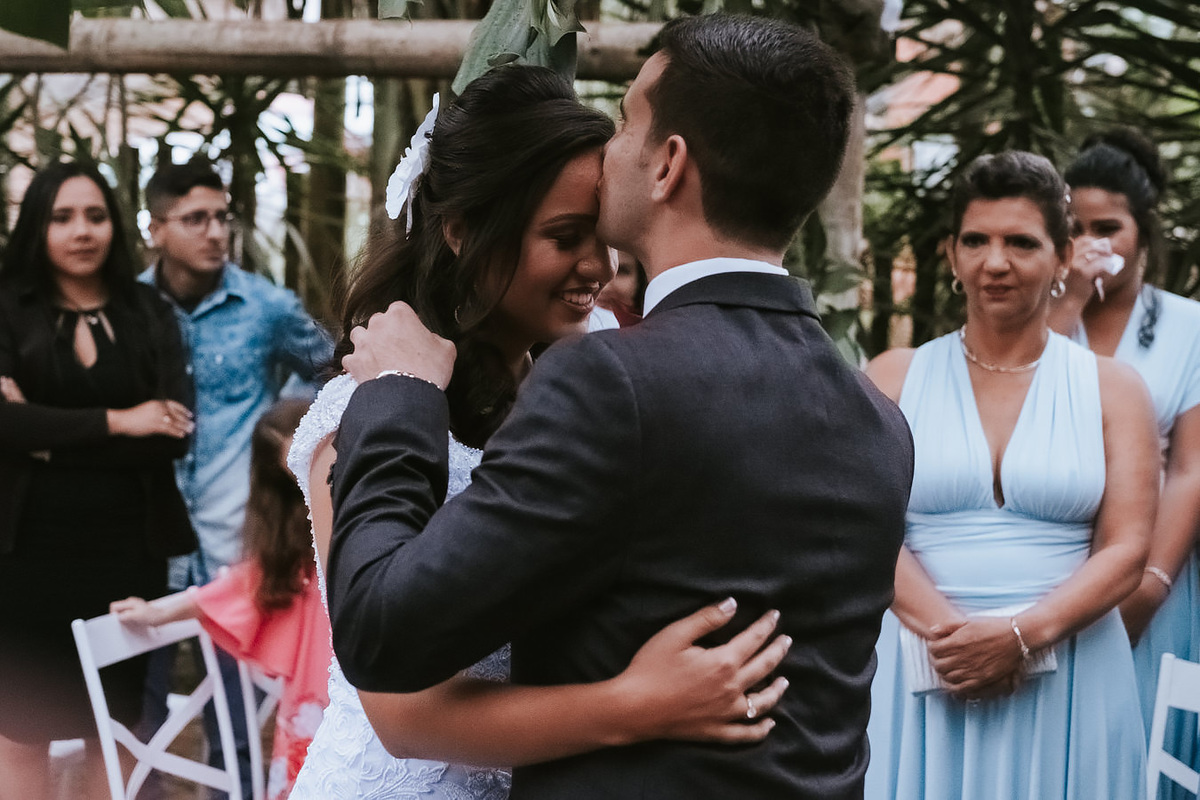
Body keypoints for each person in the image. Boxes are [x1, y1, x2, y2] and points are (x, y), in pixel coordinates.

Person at [331, 15, 914, 799]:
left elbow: (381, 629)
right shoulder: (878, 420)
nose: (610, 147)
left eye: (630, 121)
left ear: (669, 163)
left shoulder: (610, 383)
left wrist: (398, 398)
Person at [287, 63, 794, 799]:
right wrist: (642, 704)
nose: (601, 268)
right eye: (565, 238)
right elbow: (403, 715)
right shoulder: (359, 411)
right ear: (462, 231)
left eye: (605, 236)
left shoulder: (582, 391)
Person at [864, 151, 1159, 799]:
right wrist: (957, 641)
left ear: (1061, 258)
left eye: (1021, 242)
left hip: (1072, 669)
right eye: (976, 240)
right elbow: (866, 529)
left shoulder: (1114, 389)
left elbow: (1128, 548)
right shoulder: (892, 377)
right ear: (949, 254)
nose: (994, 262)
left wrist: (1022, 637)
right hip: (925, 662)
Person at [138, 158, 333, 798]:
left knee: (237, 728)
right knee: (140, 721)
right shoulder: (129, 312)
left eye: (223, 216)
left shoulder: (268, 307)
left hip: (239, 545)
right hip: (151, 541)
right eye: (195, 219)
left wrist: (284, 438)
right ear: (156, 228)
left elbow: (336, 375)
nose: (216, 231)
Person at [0, 160, 195, 800]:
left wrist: (44, 438)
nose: (82, 231)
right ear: (37, 227)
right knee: (18, 730)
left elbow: (174, 429)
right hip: (25, 553)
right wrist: (120, 421)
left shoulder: (148, 311)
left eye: (95, 215)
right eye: (62, 217)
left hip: (125, 551)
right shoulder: (7, 308)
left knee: (112, 728)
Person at [1051, 129, 1200, 795]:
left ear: (1143, 232)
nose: (1092, 244)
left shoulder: (1188, 327)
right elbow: (1023, 404)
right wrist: (1070, 299)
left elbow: (1190, 468)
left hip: (1157, 572)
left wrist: (1151, 585)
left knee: (1148, 746)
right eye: (1074, 228)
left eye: (1108, 227)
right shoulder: (1045, 319)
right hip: (1055, 564)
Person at [111, 398, 328, 800]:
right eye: (294, 475)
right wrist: (160, 611)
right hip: (325, 700)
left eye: (315, 463)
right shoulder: (300, 547)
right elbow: (248, 584)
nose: (312, 483)